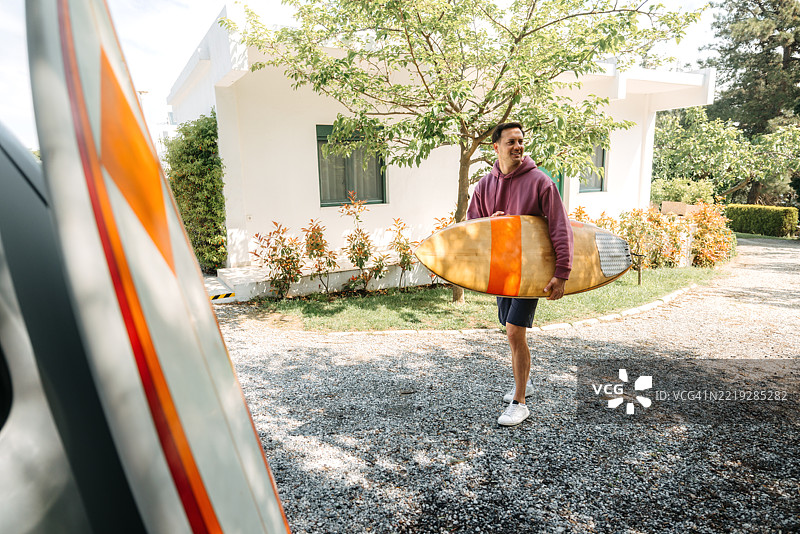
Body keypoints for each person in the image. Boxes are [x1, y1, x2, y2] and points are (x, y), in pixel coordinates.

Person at [467, 122, 574, 426]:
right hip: (503, 270)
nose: (518, 146)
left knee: (514, 331)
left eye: (521, 141)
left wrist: (562, 271)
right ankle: (521, 382)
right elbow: (471, 227)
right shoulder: (484, 185)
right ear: (496, 147)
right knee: (511, 332)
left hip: (532, 273)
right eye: (511, 141)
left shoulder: (541, 182)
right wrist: (491, 222)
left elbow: (560, 228)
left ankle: (520, 402)